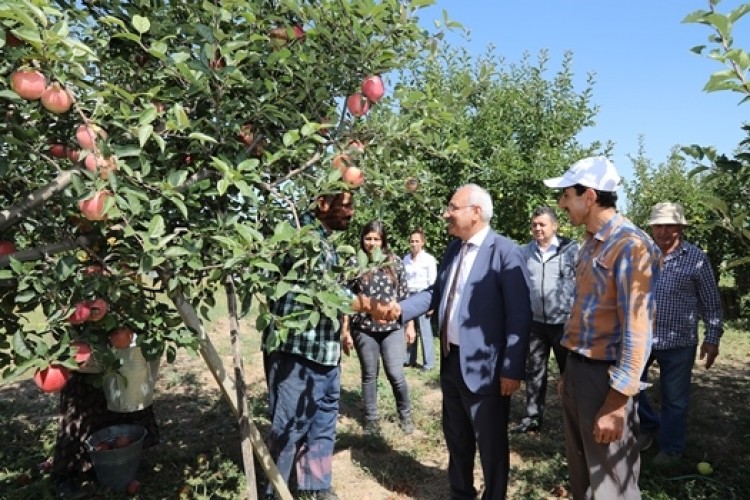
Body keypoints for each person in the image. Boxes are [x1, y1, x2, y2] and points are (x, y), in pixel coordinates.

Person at [373, 183, 532, 499]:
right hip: (452, 361)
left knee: (491, 444)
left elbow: (519, 315)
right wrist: (400, 310)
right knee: (457, 438)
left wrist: (512, 370)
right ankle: (461, 494)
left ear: (475, 212)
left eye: (452, 207)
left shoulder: (505, 252)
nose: (446, 214)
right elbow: (436, 293)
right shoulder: (453, 249)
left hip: (486, 369)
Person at [543, 156, 661, 499]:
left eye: (566, 195)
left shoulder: (630, 245)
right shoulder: (592, 242)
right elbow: (584, 313)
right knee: (583, 478)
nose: (561, 203)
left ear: (589, 196)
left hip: (606, 379)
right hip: (581, 371)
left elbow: (638, 333)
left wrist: (615, 403)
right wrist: (570, 373)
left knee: (612, 485)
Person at [261, 192, 355, 500]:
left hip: (325, 355)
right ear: (322, 204)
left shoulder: (329, 242)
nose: (351, 213)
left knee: (323, 425)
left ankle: (316, 486)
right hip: (298, 354)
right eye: (346, 205)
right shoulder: (302, 236)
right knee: (288, 429)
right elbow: (326, 289)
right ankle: (275, 492)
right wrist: (368, 304)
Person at [637, 202, 723, 464]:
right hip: (642, 338)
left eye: (669, 226)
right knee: (630, 387)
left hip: (679, 341)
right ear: (651, 228)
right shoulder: (641, 254)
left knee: (675, 399)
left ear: (681, 228)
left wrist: (712, 337)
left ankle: (671, 448)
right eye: (658, 226)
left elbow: (710, 300)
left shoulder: (696, 259)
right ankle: (648, 425)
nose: (663, 231)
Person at [341, 220, 415, 435]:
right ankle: (371, 419)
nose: (372, 243)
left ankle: (405, 414)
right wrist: (345, 331)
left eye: (376, 238)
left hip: (392, 328)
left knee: (395, 373)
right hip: (363, 328)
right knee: (369, 375)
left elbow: (404, 296)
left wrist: (410, 326)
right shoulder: (354, 263)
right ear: (362, 239)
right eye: (368, 238)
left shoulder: (394, 262)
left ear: (383, 241)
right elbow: (345, 300)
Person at [512, 206, 578, 434]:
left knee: (569, 373)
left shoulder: (572, 250)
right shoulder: (524, 252)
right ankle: (533, 417)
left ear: (555, 226)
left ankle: (574, 419)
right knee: (535, 371)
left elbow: (584, 284)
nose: (537, 228)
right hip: (536, 324)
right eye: (534, 225)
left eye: (542, 224)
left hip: (564, 323)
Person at [402, 227, 437, 371]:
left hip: (423, 295)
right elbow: (403, 280)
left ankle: (428, 363)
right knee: (409, 328)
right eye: (412, 241)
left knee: (425, 330)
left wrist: (432, 304)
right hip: (409, 295)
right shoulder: (406, 259)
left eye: (417, 241)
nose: (414, 244)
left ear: (423, 243)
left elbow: (433, 282)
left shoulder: (429, 260)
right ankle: (409, 359)